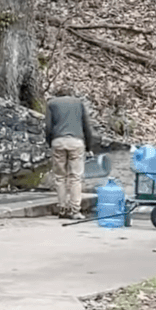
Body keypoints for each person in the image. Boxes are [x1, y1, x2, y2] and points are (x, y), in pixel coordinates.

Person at [45, 85, 97, 219]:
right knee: (75, 178)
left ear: (58, 93)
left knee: (60, 177)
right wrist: (89, 147)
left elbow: (48, 127)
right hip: (76, 142)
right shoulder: (79, 103)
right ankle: (75, 211)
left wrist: (50, 142)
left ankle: (62, 209)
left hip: (58, 141)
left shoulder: (51, 104)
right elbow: (87, 126)